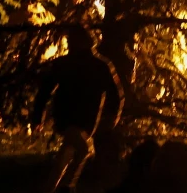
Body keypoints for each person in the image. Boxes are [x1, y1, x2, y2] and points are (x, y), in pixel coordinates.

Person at [31, 26, 123, 193]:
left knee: (66, 153)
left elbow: (44, 92)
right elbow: (116, 94)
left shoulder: (90, 65)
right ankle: (68, 187)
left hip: (75, 119)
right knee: (84, 149)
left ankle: (51, 188)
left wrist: (38, 116)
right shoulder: (99, 65)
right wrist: (113, 117)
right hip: (77, 119)